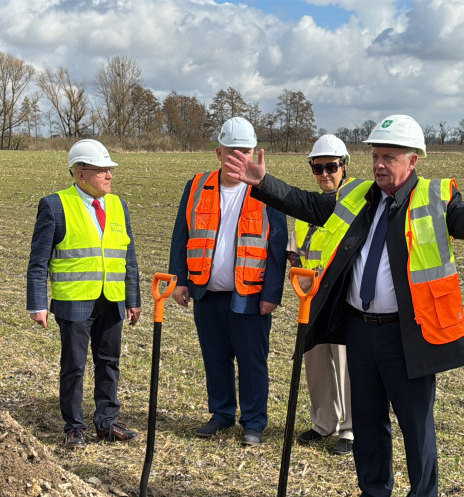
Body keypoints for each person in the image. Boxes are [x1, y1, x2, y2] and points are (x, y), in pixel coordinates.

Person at [224, 114, 464, 497]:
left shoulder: (435, 197)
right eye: (375, 156)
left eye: (389, 157)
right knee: (367, 419)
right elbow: (309, 205)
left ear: (413, 159)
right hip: (360, 328)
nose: (379, 164)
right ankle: (373, 496)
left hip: (408, 333)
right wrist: (263, 182)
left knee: (414, 423)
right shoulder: (357, 196)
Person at [168, 116, 288, 447]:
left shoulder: (267, 190)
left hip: (249, 294)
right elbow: (182, 235)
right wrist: (180, 280)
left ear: (255, 153)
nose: (238, 158)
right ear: (218, 153)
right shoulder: (196, 186)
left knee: (252, 362)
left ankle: (253, 421)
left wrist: (272, 293)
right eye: (232, 151)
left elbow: (277, 245)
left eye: (245, 151)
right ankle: (221, 414)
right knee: (215, 357)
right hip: (206, 292)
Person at [27, 139, 142, 448]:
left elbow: (127, 257)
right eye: (102, 170)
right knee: (74, 366)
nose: (110, 176)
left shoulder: (118, 205)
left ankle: (106, 423)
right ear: (80, 174)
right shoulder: (55, 205)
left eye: (110, 170)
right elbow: (38, 261)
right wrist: (37, 303)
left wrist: (133, 299)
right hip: (74, 300)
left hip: (112, 299)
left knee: (109, 362)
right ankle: (74, 426)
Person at [288, 134, 360, 456]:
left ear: (344, 166)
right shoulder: (306, 212)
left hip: (343, 301)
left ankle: (350, 430)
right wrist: (298, 276)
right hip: (311, 301)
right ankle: (323, 423)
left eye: (331, 167)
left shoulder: (358, 204)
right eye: (318, 169)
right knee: (316, 364)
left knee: (345, 366)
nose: (325, 174)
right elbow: (296, 254)